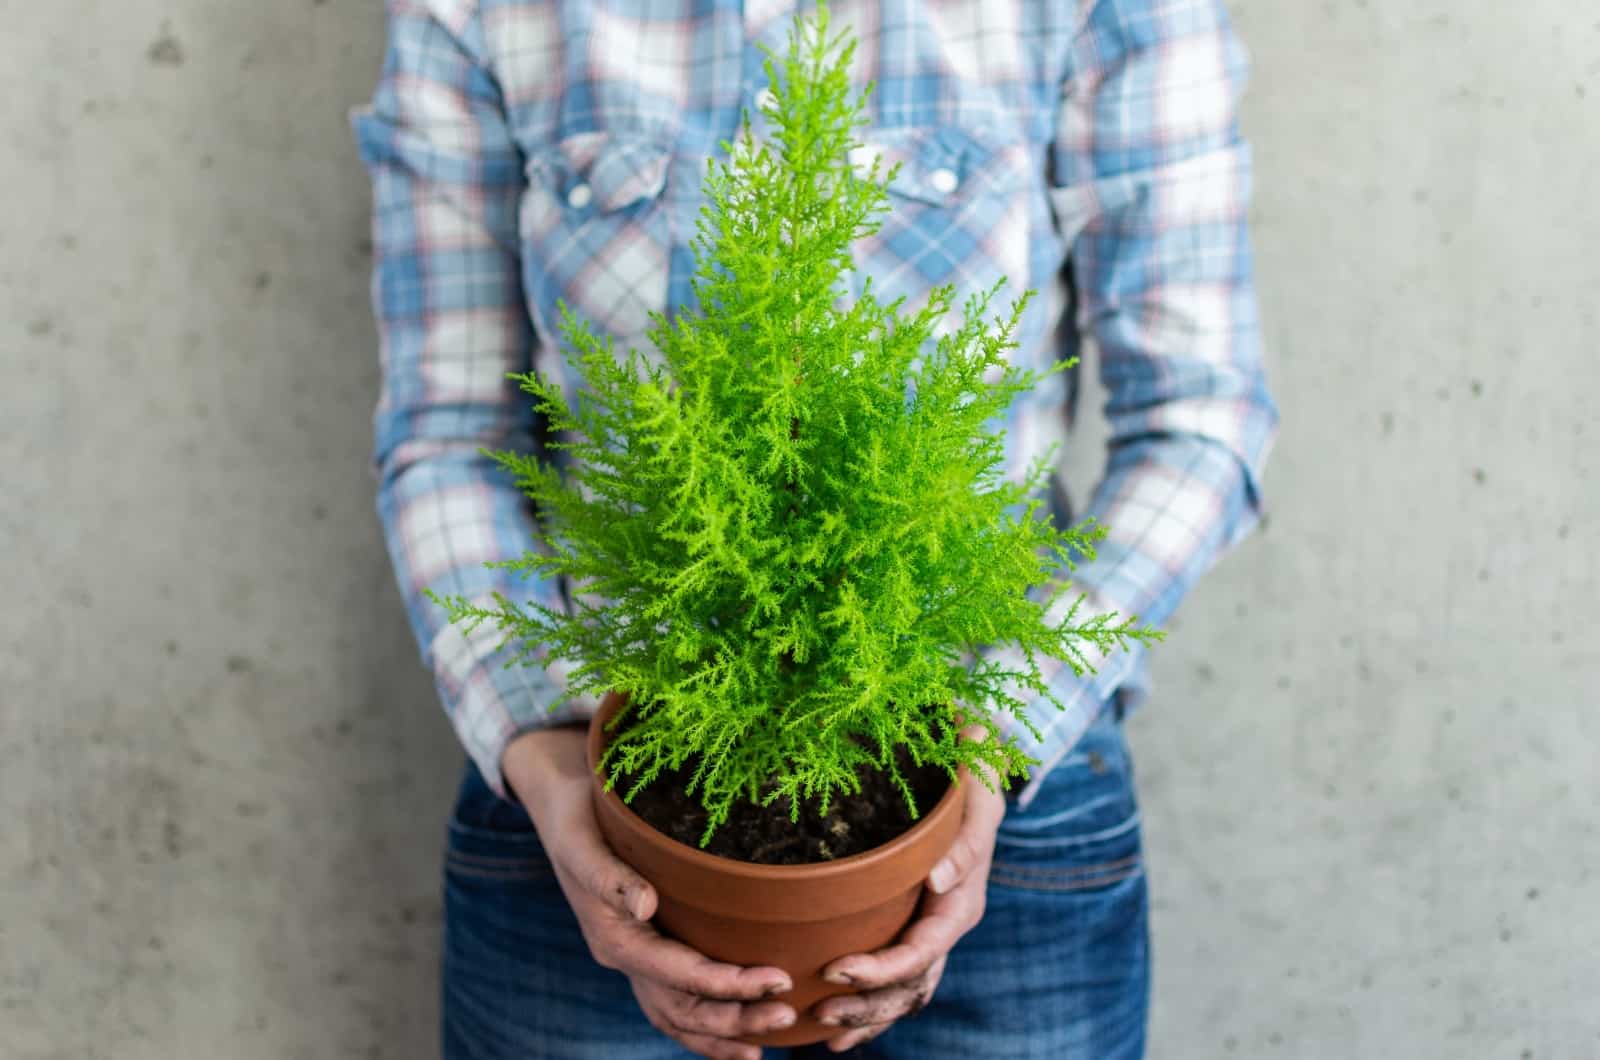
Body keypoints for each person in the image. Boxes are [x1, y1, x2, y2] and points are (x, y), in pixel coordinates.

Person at [351, 0, 1279, 1056]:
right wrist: (545, 747)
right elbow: (446, 436)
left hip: (1000, 798)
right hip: (585, 801)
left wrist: (1005, 726)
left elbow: (1200, 421)